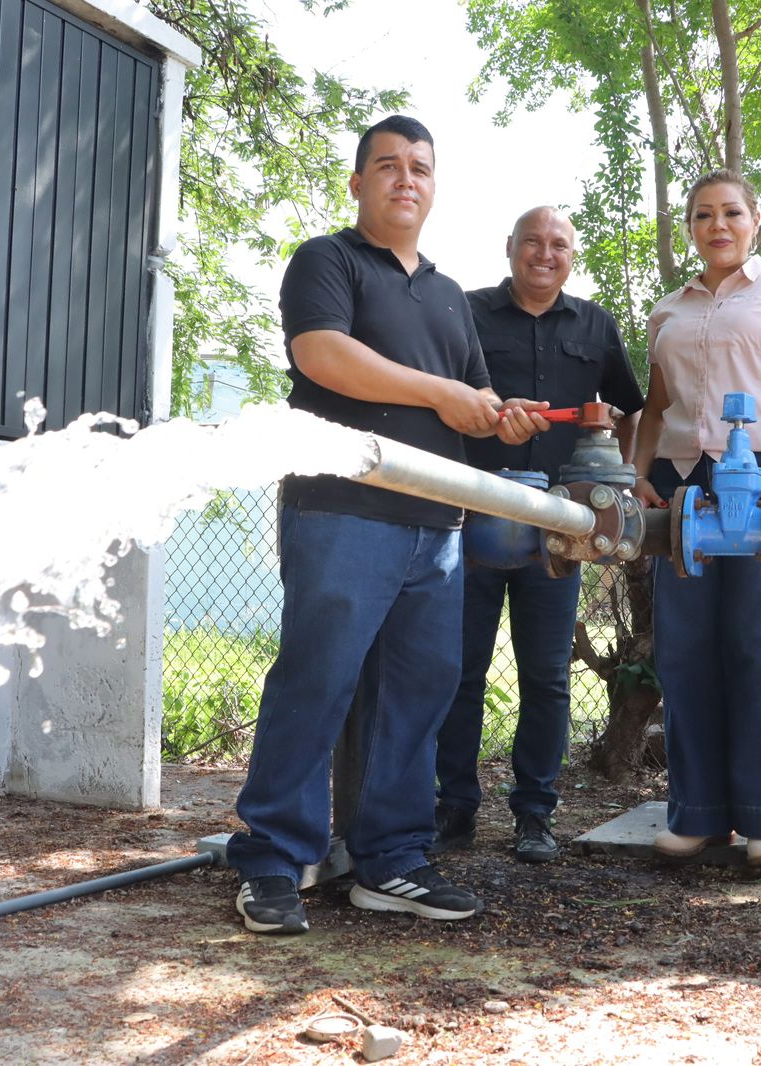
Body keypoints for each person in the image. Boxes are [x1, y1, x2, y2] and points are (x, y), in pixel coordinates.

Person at [225, 116, 549, 935]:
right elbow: (321, 355)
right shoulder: (327, 260)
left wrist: (498, 419)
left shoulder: (445, 293)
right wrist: (443, 395)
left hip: (435, 527)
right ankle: (272, 858)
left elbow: (471, 406)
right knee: (318, 677)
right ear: (358, 183)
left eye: (421, 168)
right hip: (341, 510)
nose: (406, 179)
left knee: (418, 691)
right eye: (388, 166)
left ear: (434, 187)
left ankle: (391, 859)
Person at [630, 170, 761, 865]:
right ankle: (698, 812)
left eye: (730, 212)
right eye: (702, 215)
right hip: (685, 488)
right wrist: (637, 473)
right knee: (686, 650)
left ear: (755, 219)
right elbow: (657, 409)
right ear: (687, 227)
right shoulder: (667, 310)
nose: (717, 225)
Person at [432, 207, 645, 864]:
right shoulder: (463, 311)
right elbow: (437, 399)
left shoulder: (594, 325)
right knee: (458, 672)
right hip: (473, 519)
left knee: (547, 676)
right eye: (532, 242)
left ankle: (535, 814)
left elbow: (628, 412)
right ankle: (455, 809)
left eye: (558, 244)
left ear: (571, 256)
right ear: (510, 249)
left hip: (561, 530)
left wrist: (617, 486)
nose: (544, 254)